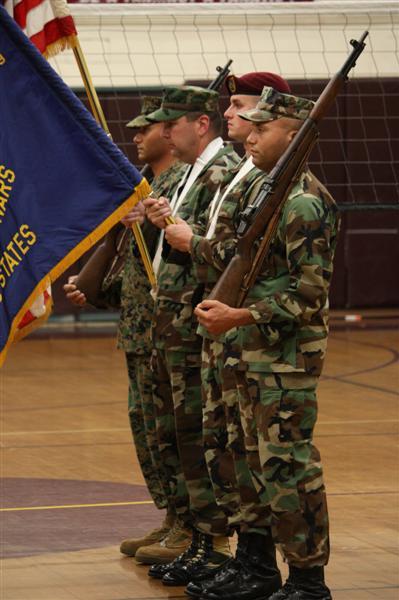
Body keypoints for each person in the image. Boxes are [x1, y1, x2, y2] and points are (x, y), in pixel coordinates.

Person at [194, 86, 339, 600]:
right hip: (245, 353)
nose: (250, 135)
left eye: (263, 127)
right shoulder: (259, 188)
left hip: (284, 361)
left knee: (288, 471)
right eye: (250, 126)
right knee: (247, 465)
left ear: (295, 134)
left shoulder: (303, 202)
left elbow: (309, 296)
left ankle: (307, 579)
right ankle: (258, 570)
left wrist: (242, 313)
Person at [162, 73, 292, 594]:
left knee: (271, 462)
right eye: (232, 105)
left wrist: (191, 242)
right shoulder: (243, 174)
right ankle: (237, 555)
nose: (233, 116)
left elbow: (239, 254)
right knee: (224, 448)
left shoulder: (263, 180)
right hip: (221, 331)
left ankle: (274, 568)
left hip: (258, 341)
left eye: (242, 107)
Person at [63, 96, 188, 560]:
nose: (135, 137)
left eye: (146, 129)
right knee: (149, 430)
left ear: (171, 132)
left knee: (173, 430)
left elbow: (174, 262)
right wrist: (100, 289)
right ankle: (173, 517)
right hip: (139, 329)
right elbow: (143, 269)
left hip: (165, 331)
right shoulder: (148, 186)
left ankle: (191, 527)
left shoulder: (177, 186)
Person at [134, 85, 240, 574]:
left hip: (196, 325)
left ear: (200, 124)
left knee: (201, 435)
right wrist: (165, 222)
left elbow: (224, 251)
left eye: (172, 123)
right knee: (178, 431)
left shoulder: (221, 172)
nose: (164, 132)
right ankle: (192, 529)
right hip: (171, 323)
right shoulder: (191, 173)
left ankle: (211, 539)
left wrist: (185, 236)